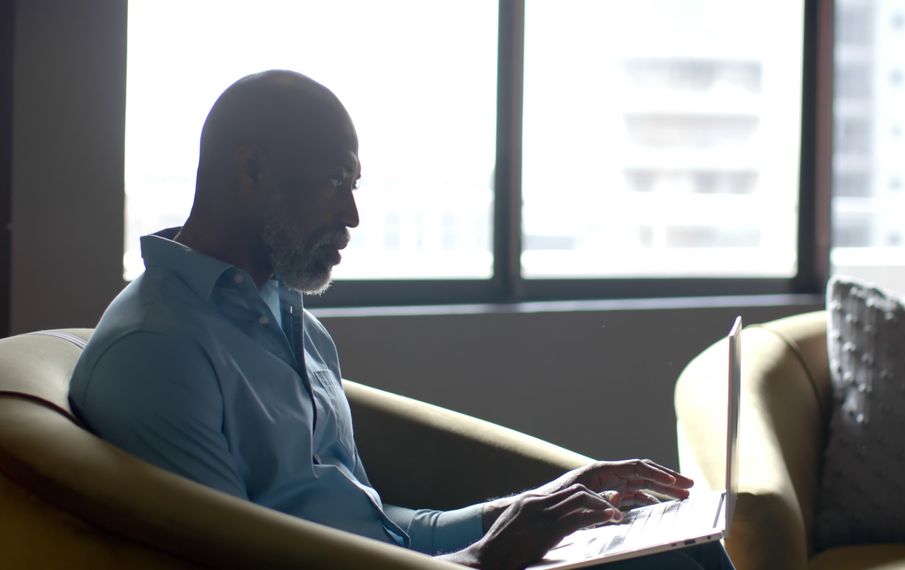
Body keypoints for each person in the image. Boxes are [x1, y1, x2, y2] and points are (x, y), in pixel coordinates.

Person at [69, 70, 732, 569]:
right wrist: (487, 559)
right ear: (252, 169)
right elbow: (236, 563)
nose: (353, 218)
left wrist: (538, 508)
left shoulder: (290, 319)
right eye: (337, 182)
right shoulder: (159, 351)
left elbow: (377, 530)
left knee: (680, 542)